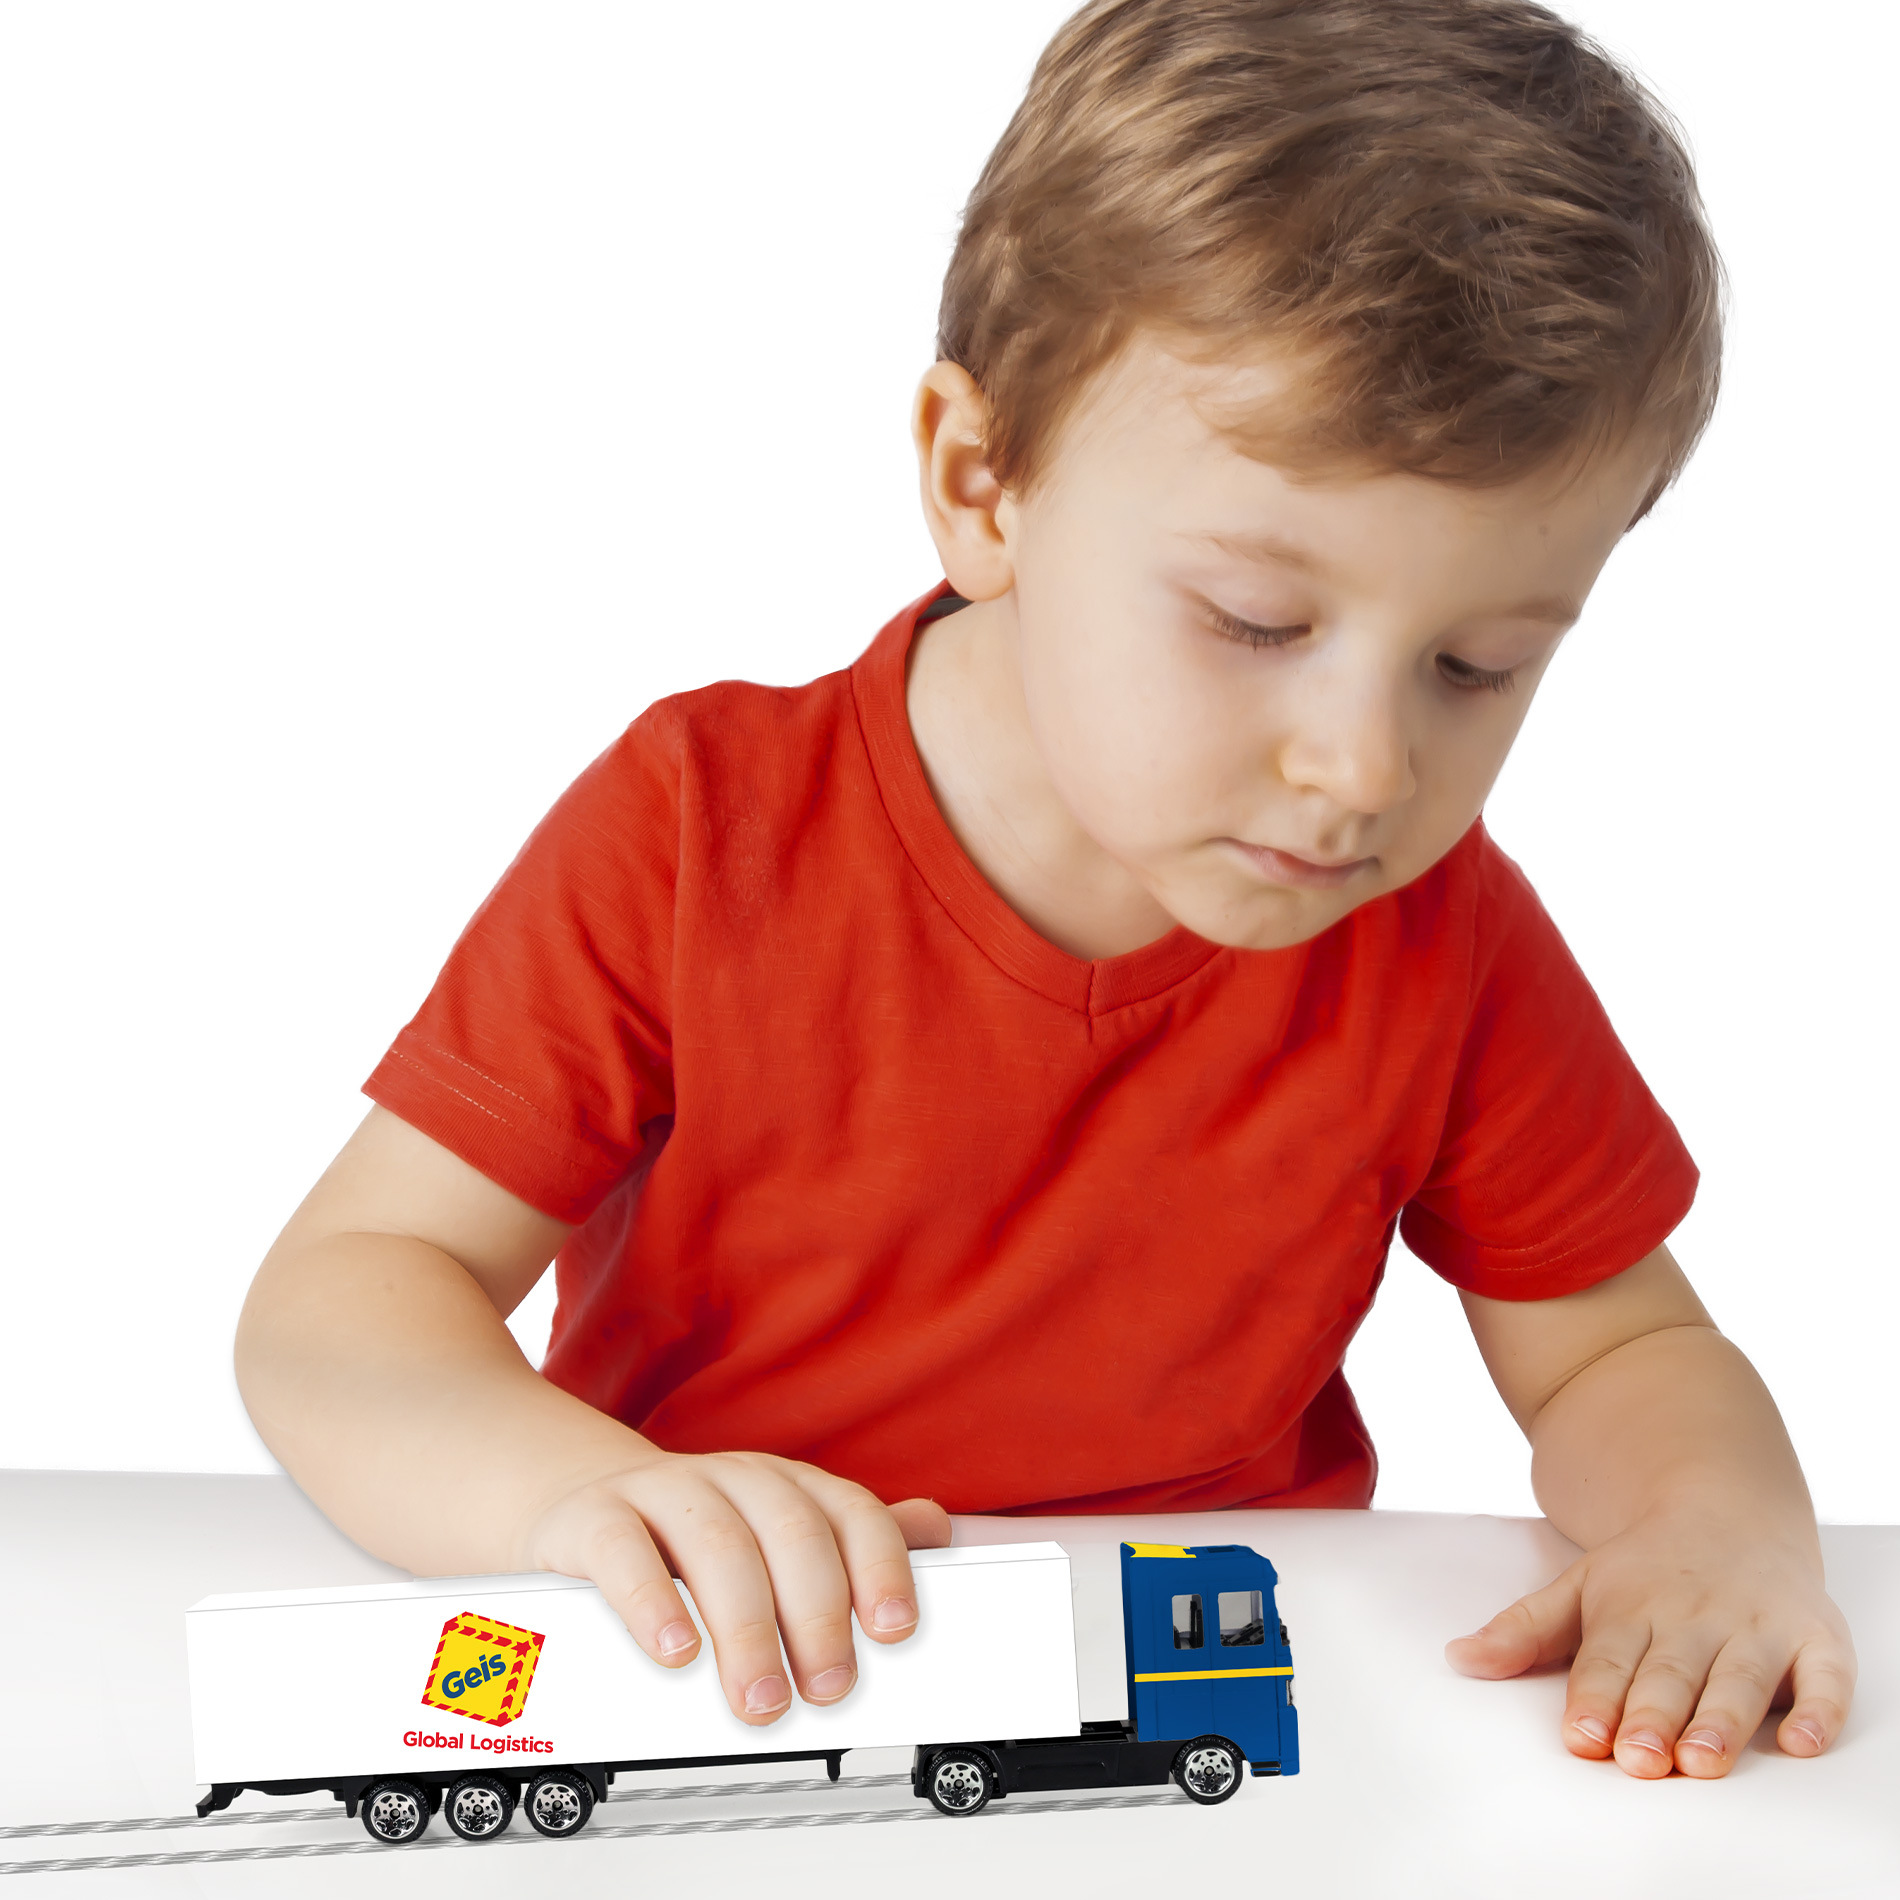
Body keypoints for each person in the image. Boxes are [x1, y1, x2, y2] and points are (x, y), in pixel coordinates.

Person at [235, 0, 1855, 1779]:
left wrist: (1714, 1528)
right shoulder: (704, 828)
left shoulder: (1442, 931)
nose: (1364, 768)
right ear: (982, 482)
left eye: (1477, 666)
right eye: (1258, 621)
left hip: (1201, 1702)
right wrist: (577, 1498)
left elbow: (1618, 1352)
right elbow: (349, 1298)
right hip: (740, 1690)